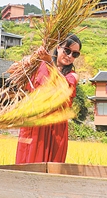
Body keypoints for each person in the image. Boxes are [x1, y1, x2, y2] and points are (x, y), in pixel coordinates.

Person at [15, 34, 81, 164]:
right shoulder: (40, 66)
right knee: (26, 165)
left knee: (50, 170)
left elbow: (62, 85)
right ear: (58, 47)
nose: (69, 56)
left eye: (75, 54)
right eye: (67, 50)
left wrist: (49, 61)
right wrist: (26, 61)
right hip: (34, 121)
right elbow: (13, 72)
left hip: (55, 127)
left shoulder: (72, 75)